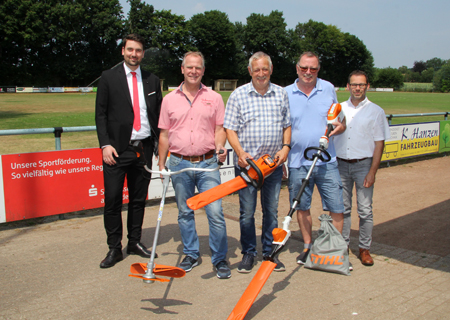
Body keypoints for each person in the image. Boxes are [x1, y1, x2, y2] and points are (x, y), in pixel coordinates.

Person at [157, 52, 230, 279]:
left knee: (215, 212)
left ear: (203, 70)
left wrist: (220, 146)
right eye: (189, 67)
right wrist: (161, 164)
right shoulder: (169, 99)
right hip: (179, 163)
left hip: (208, 162)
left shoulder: (215, 98)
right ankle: (191, 253)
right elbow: (164, 134)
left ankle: (219, 258)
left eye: (198, 67)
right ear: (182, 69)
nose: (193, 71)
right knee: (184, 212)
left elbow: (220, 129)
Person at [95, 33, 162, 268]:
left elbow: (158, 115)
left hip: (143, 148)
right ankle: (114, 248)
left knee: (138, 200)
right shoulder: (108, 78)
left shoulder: (152, 80)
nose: (134, 54)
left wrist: (156, 145)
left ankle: (134, 242)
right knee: (113, 200)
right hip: (116, 150)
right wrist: (105, 144)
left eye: (139, 50)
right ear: (123, 51)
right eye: (130, 49)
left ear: (143, 53)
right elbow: (100, 115)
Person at [224, 51, 291, 273]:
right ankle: (248, 253)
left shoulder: (281, 94)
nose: (261, 73)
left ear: (270, 70)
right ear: (250, 71)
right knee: (246, 212)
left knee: (271, 211)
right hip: (248, 167)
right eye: (256, 69)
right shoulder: (238, 95)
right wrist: (240, 152)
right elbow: (230, 128)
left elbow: (287, 125)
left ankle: (270, 253)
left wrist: (285, 148)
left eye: (265, 69)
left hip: (272, 166)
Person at [285, 51, 346, 266]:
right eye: (304, 68)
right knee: (302, 207)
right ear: (297, 68)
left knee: (337, 207)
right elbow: (281, 129)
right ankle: (308, 246)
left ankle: (336, 250)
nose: (308, 72)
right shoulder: (286, 93)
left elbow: (341, 120)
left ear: (318, 70)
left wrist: (340, 127)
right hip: (297, 163)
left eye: (313, 69)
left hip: (326, 161)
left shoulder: (328, 88)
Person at [334, 70, 390, 267]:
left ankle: (364, 248)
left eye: (361, 84)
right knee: (344, 209)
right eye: (354, 84)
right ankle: (344, 246)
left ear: (367, 86)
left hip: (364, 165)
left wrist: (372, 171)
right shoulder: (338, 108)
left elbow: (379, 143)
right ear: (348, 86)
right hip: (341, 164)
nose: (357, 88)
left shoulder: (376, 111)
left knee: (365, 210)